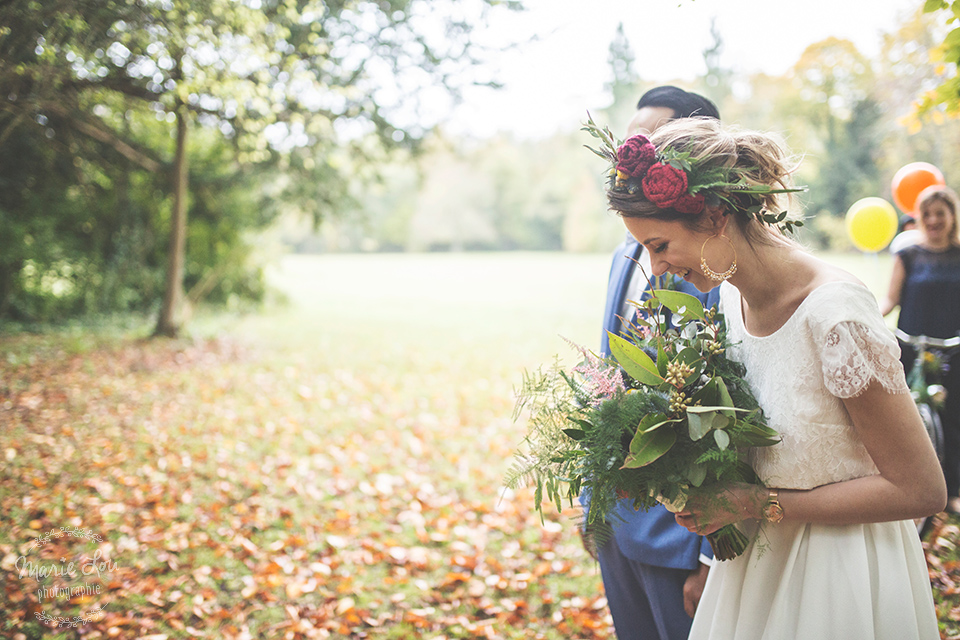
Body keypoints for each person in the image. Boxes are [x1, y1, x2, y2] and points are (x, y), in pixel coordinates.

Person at [603, 117, 945, 639]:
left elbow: (921, 489)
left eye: (660, 245)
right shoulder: (732, 305)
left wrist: (757, 503)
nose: (658, 269)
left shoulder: (836, 314)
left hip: (840, 577)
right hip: (754, 572)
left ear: (716, 217)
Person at [590, 86, 720, 640]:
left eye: (649, 144)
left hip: (680, 539)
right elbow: (608, 376)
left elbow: (729, 407)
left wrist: (710, 557)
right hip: (618, 527)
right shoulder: (629, 247)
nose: (630, 158)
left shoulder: (719, 267)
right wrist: (593, 502)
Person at [881, 185, 960, 513]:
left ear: (952, 216)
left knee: (953, 420)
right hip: (910, 352)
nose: (933, 220)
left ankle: (952, 491)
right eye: (926, 214)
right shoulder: (908, 255)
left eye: (940, 213)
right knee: (908, 423)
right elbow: (890, 299)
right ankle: (908, 488)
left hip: (952, 356)